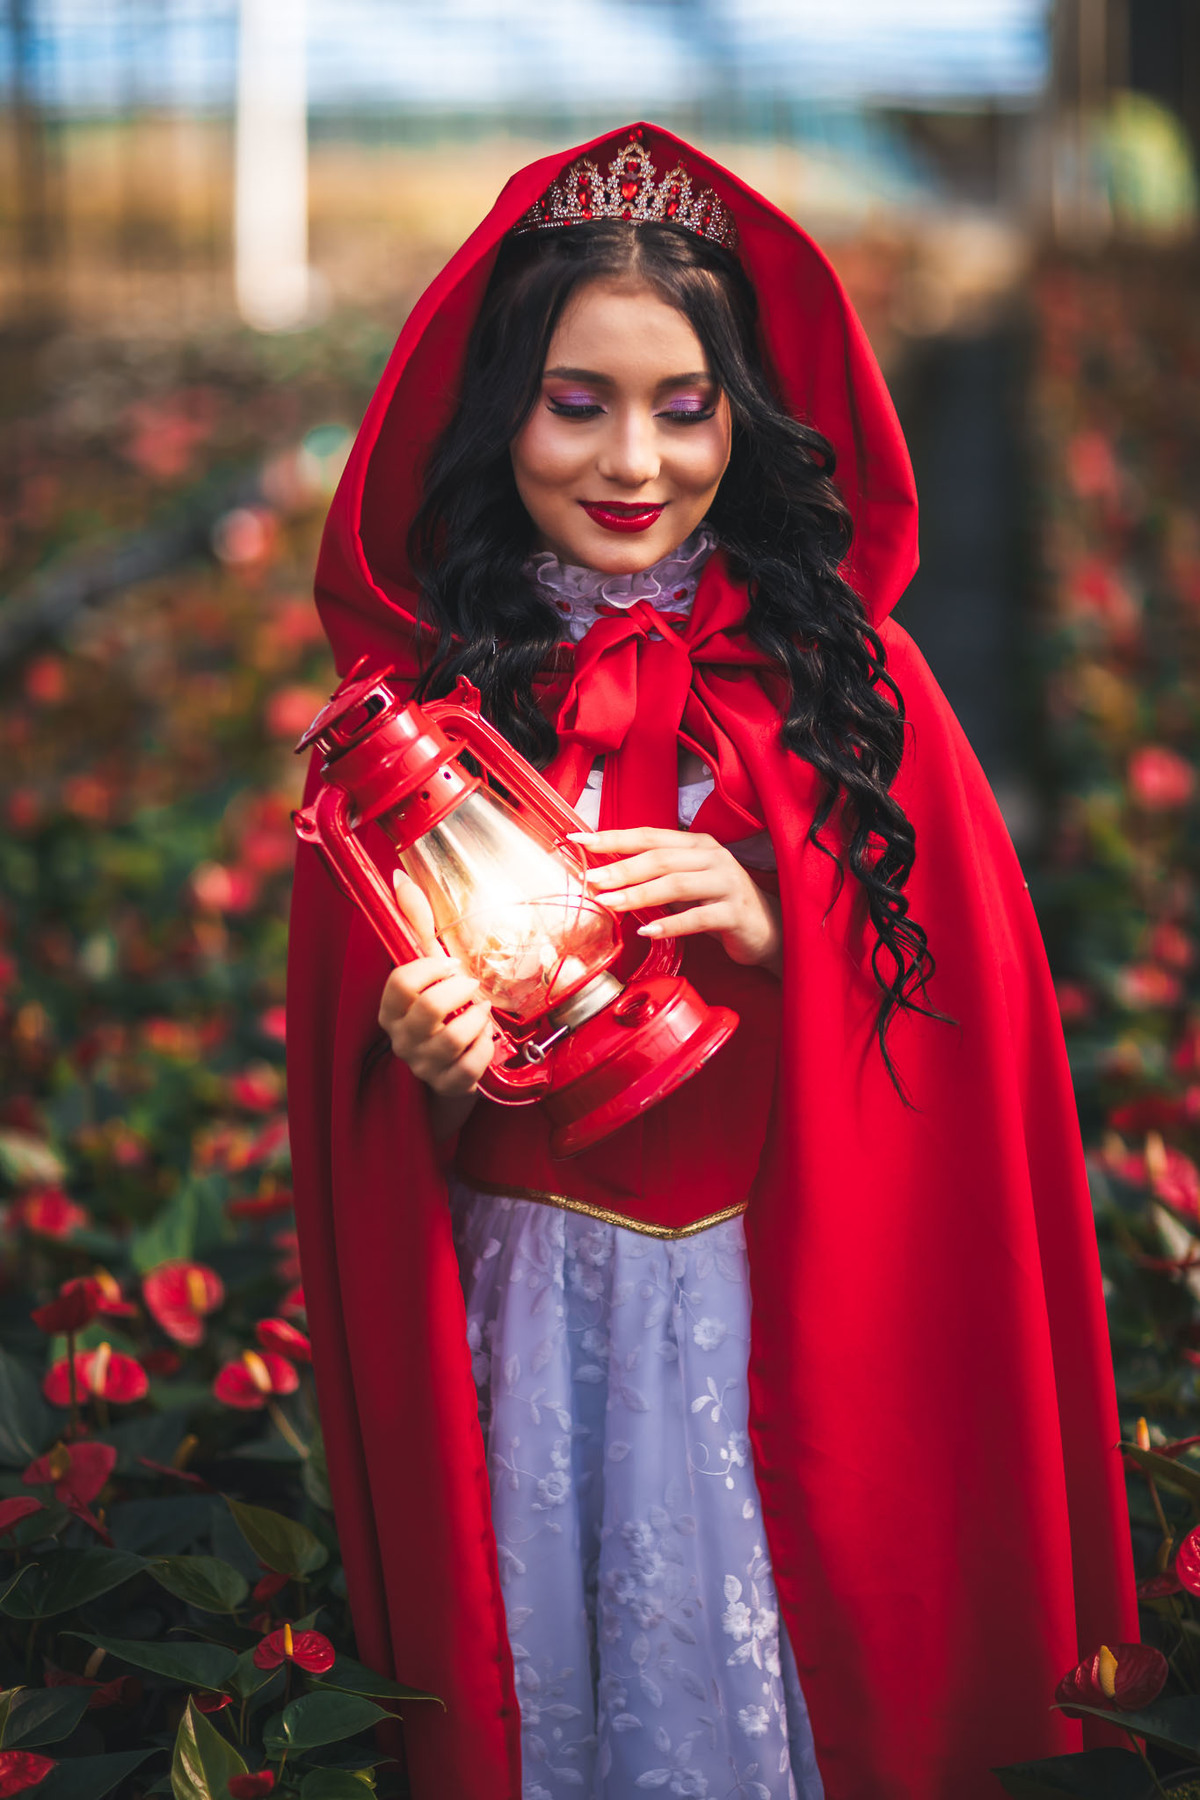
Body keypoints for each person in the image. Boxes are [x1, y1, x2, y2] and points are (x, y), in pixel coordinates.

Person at [288, 125, 1136, 1800]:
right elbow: (354, 1100)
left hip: (776, 1315)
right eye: (576, 401)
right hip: (528, 1322)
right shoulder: (418, 723)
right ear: (499, 417)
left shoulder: (852, 686)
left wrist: (785, 918)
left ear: (742, 419)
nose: (633, 460)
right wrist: (421, 1055)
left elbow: (977, 1044)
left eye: (684, 404)